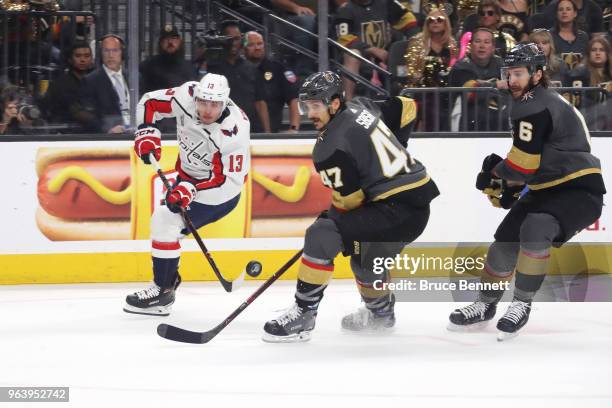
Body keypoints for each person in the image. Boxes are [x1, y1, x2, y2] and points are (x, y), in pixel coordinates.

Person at [262, 71, 440, 342]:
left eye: (316, 105)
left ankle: (303, 313)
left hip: (396, 210)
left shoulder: (329, 147)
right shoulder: (361, 106)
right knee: (364, 255)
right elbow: (407, 107)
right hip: (417, 207)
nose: (311, 113)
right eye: (306, 106)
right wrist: (397, 147)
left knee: (322, 233)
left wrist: (329, 220)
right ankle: (381, 315)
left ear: (334, 103)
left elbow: (351, 202)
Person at [448, 43, 606, 340]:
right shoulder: (534, 100)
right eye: (509, 73)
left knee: (536, 226)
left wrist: (496, 174)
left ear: (537, 73)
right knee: (503, 242)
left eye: (519, 73)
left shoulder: (532, 103)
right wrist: (510, 181)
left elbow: (521, 168)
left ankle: (521, 304)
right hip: (546, 187)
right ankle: (485, 304)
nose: (512, 80)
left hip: (579, 188)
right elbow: (530, 166)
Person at [123, 73, 250, 316]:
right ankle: (167, 282)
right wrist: (147, 130)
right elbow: (149, 103)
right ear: (197, 97)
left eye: (214, 104)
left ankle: (163, 291)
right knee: (166, 224)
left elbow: (229, 182)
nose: (207, 110)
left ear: (225, 102)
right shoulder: (186, 95)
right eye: (203, 102)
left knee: (164, 220)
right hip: (187, 177)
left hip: (219, 193)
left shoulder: (235, 130)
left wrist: (191, 189)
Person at [335, 0, 418, 100]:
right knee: (353, 54)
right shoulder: (346, 9)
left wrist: (414, 41)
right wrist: (371, 49)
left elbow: (409, 21)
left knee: (408, 49)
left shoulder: (387, 3)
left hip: (385, 55)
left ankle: (410, 101)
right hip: (360, 57)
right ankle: (348, 103)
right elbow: (344, 38)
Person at [449, 28, 509, 131]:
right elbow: (470, 91)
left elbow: (511, 85)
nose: (482, 46)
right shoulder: (461, 67)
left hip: (498, 119)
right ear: (470, 45)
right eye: (477, 41)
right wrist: (497, 85)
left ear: (493, 48)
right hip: (468, 121)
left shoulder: (500, 64)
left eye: (486, 42)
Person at [207, 21, 262, 132]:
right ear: (222, 40)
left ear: (242, 40)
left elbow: (260, 101)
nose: (233, 42)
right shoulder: (212, 68)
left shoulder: (251, 68)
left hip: (250, 129)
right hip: (221, 130)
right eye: (229, 38)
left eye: (236, 38)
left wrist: (267, 131)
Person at [244, 31, 301, 133]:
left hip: (271, 135)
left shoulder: (279, 69)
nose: (257, 47)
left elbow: (293, 99)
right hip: (241, 133)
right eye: (251, 45)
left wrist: (294, 129)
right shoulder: (238, 71)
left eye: (259, 44)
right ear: (243, 49)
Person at [74, 34, 130, 133]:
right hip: (109, 137)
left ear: (122, 53)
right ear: (101, 54)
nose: (111, 55)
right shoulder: (90, 81)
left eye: (115, 50)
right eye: (106, 51)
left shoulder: (135, 77)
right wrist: (107, 130)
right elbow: (87, 115)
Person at [41, 41, 93, 129]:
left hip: (94, 133)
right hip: (66, 133)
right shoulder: (61, 84)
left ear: (91, 59)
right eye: (78, 56)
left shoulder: (95, 81)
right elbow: (77, 113)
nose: (83, 60)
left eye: (87, 56)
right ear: (70, 59)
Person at [139, 25, 195, 94]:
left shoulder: (188, 67)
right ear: (160, 43)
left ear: (179, 42)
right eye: (166, 39)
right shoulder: (148, 65)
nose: (170, 42)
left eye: (173, 38)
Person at [551, 0, 590, 70]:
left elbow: (587, 59)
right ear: (557, 14)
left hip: (580, 77)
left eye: (568, 9)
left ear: (575, 13)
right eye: (561, 9)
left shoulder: (583, 36)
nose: (564, 12)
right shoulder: (549, 36)